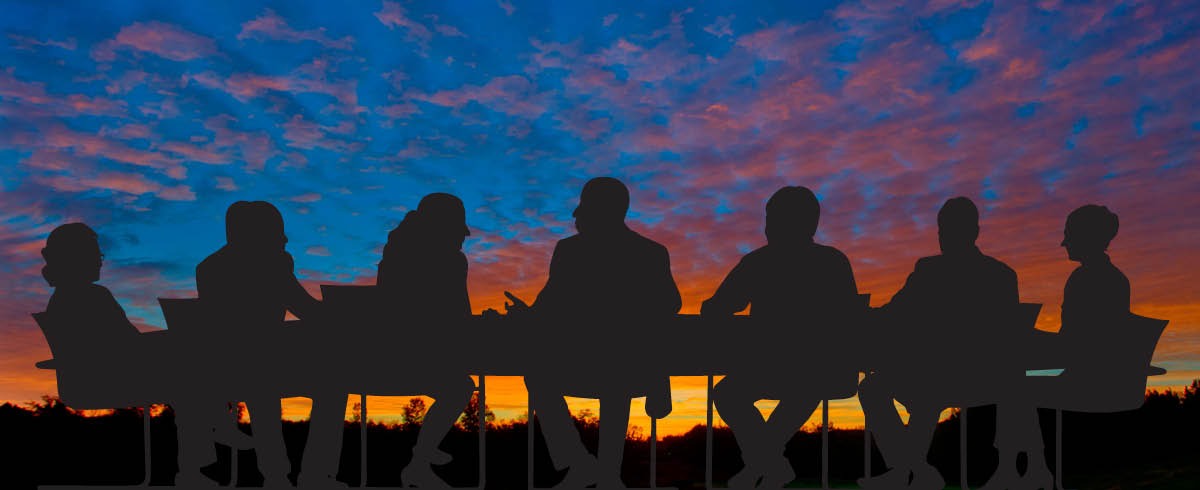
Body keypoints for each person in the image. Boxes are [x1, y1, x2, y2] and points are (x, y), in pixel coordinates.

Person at [505, 177, 681, 488]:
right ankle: (603, 472)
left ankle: (580, 463)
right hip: (631, 368)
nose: (576, 216)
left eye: (583, 208)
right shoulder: (651, 252)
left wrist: (527, 317)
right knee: (612, 372)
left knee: (539, 374)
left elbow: (548, 308)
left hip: (593, 364)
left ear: (600, 211)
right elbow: (671, 304)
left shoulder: (569, 251)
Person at [700, 186, 861, 488]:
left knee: (731, 393)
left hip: (789, 368)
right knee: (755, 391)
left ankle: (764, 463)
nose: (768, 227)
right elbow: (851, 316)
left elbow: (718, 307)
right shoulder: (832, 261)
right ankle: (770, 463)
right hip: (817, 369)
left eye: (772, 219)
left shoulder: (758, 262)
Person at [39, 223, 220, 487]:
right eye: (96, 255)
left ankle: (204, 447)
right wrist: (174, 340)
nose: (100, 262)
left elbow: (122, 345)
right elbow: (127, 345)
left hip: (96, 378)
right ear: (78, 258)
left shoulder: (63, 298)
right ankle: (203, 451)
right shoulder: (91, 296)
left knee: (190, 379)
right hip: (110, 380)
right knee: (191, 377)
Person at [858, 197, 1019, 490]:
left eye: (947, 230)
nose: (943, 237)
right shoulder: (1002, 275)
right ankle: (913, 469)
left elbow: (893, 316)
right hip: (971, 377)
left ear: (973, 232)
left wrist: (861, 315)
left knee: (881, 387)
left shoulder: (932, 271)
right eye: (942, 230)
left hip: (961, 377)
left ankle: (908, 469)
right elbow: (896, 313)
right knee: (877, 387)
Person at [981, 205, 1130, 490]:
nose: (1064, 243)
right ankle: (1033, 469)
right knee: (1015, 380)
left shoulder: (1086, 280)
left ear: (1086, 237)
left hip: (1089, 380)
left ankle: (1015, 470)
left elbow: (1079, 344)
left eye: (1068, 235)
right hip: (1101, 375)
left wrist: (1028, 336)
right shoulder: (1113, 278)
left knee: (1012, 383)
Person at [196, 201, 336, 488]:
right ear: (257, 234)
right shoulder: (272, 264)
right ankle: (309, 475)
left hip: (225, 366)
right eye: (277, 232)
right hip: (253, 364)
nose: (285, 239)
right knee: (330, 386)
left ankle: (279, 474)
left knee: (264, 378)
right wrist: (343, 314)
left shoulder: (209, 267)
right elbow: (305, 309)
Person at [374, 193, 476, 487]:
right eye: (459, 231)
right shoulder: (452, 261)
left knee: (458, 383)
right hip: (416, 359)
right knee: (460, 387)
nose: (463, 239)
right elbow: (459, 316)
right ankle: (421, 457)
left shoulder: (394, 254)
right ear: (444, 228)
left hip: (383, 357)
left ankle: (422, 457)